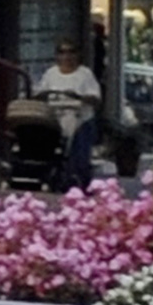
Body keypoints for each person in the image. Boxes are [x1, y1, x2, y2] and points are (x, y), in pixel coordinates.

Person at [36, 35, 102, 190]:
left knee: (79, 157)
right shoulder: (51, 74)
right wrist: (45, 94)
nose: (67, 56)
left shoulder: (85, 74)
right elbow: (39, 93)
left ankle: (79, 183)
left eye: (71, 52)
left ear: (78, 55)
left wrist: (79, 97)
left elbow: (96, 99)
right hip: (55, 119)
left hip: (79, 119)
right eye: (62, 52)